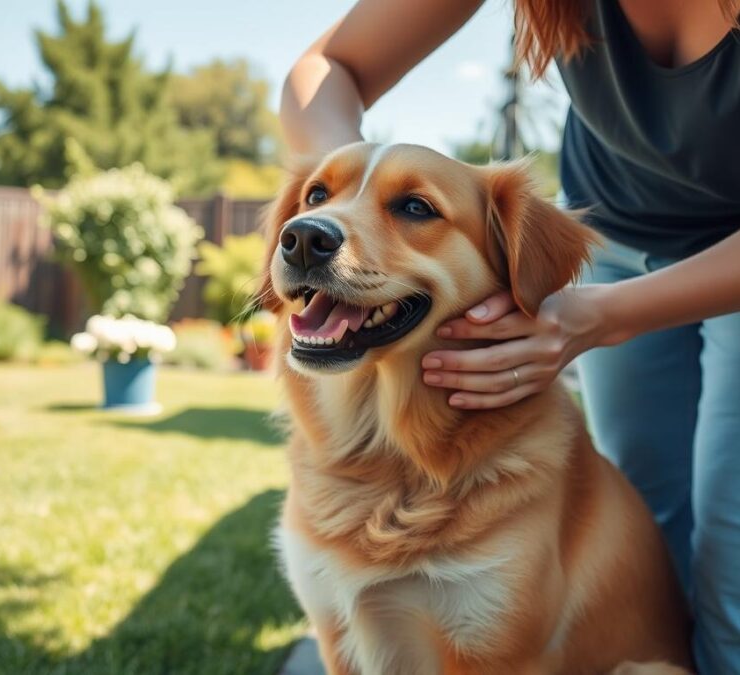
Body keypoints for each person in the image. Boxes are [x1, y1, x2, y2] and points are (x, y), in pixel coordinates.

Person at [280, 0, 740, 670]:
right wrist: (340, 213)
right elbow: (328, 66)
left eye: (415, 209)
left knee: (732, 578)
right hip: (615, 232)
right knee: (655, 530)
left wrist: (602, 315)